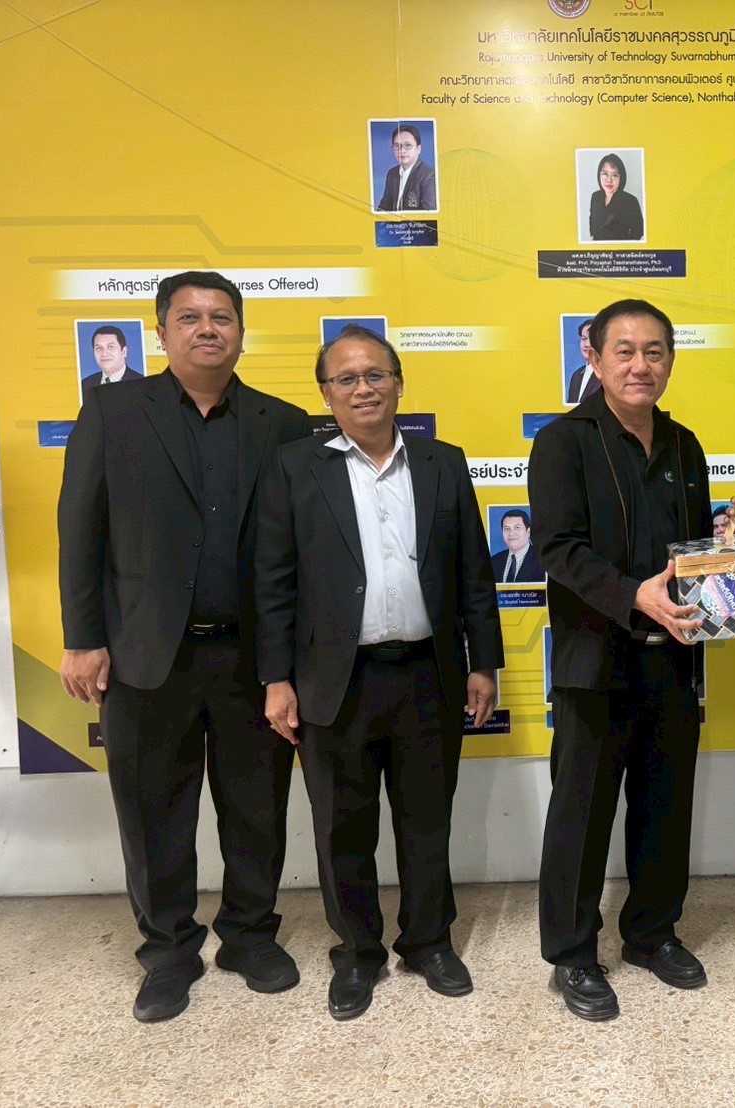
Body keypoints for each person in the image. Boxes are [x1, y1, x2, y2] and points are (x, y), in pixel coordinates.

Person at [57, 271, 311, 1022]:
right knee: (152, 811)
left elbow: (299, 550)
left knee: (256, 807)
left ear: (241, 333)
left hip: (253, 658)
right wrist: (83, 638)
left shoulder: (283, 422)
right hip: (145, 654)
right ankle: (168, 951)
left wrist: (293, 658)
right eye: (190, 317)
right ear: (162, 332)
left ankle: (249, 935)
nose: (208, 329)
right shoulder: (112, 411)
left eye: (222, 317)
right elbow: (80, 528)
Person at [253, 324, 502, 1020]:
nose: (363, 388)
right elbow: (272, 582)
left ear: (398, 384)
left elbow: (474, 573)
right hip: (335, 680)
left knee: (427, 823)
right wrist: (276, 678)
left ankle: (428, 942)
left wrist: (483, 661)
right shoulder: (294, 468)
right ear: (326, 393)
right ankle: (358, 953)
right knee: (342, 829)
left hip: (427, 673)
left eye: (375, 375)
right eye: (346, 379)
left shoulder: (443, 462)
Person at [529, 298, 714, 1022]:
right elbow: (558, 548)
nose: (641, 365)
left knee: (665, 807)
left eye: (655, 351)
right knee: (580, 815)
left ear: (670, 359)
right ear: (594, 357)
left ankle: (651, 933)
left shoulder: (685, 445)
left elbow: (693, 552)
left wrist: (731, 540)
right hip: (594, 659)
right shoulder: (562, 443)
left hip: (673, 657)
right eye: (625, 351)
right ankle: (572, 953)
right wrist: (632, 595)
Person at [376, 124, 437, 212]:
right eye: (397, 146)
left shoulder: (428, 175)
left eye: (408, 145)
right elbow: (384, 208)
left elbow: (429, 213)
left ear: (418, 149)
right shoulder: (392, 173)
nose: (402, 151)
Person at [587, 153, 644, 242]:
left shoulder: (630, 201)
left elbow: (638, 231)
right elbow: (592, 221)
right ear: (599, 175)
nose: (609, 180)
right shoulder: (595, 197)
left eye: (614, 175)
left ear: (621, 178)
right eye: (605, 174)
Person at [81, 325, 143, 397]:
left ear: (124, 352)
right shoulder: (85, 384)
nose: (104, 353)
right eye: (99, 348)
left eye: (110, 347)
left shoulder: (141, 383)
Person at [492, 508, 545, 584]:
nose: (511, 533)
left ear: (528, 532)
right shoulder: (495, 561)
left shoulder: (542, 559)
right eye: (507, 529)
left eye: (517, 528)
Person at [564, 320, 601, 404]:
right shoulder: (577, 375)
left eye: (592, 339)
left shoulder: (607, 374)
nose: (587, 344)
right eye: (584, 339)